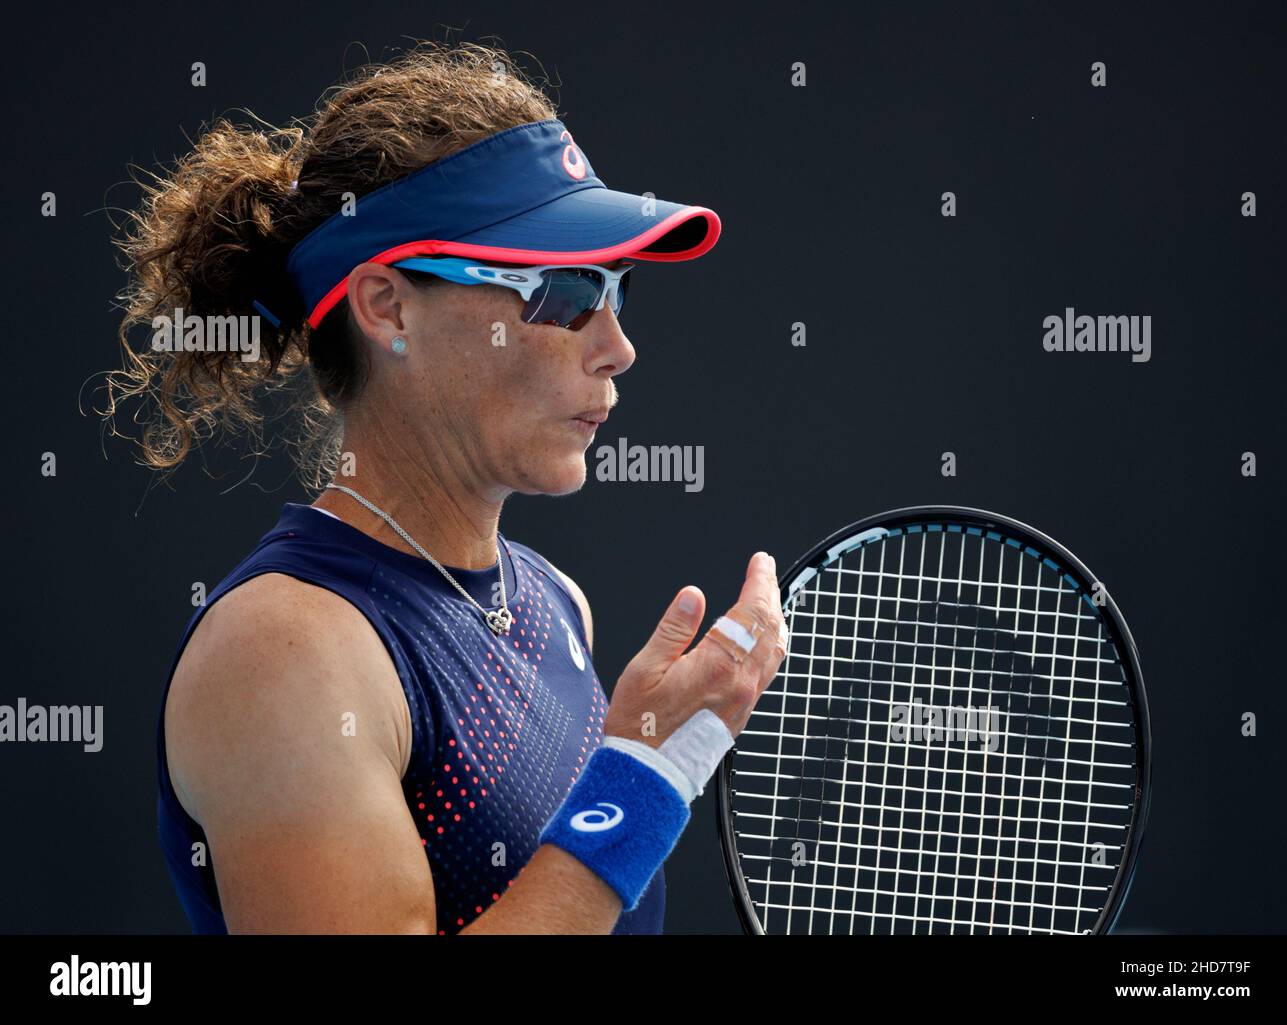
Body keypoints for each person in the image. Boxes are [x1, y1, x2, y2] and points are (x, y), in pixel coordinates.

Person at [105, 41, 786, 935]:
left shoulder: (556, 603)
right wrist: (642, 780)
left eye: (616, 288)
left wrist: (639, 774)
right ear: (387, 306)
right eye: (563, 289)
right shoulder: (281, 652)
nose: (617, 347)